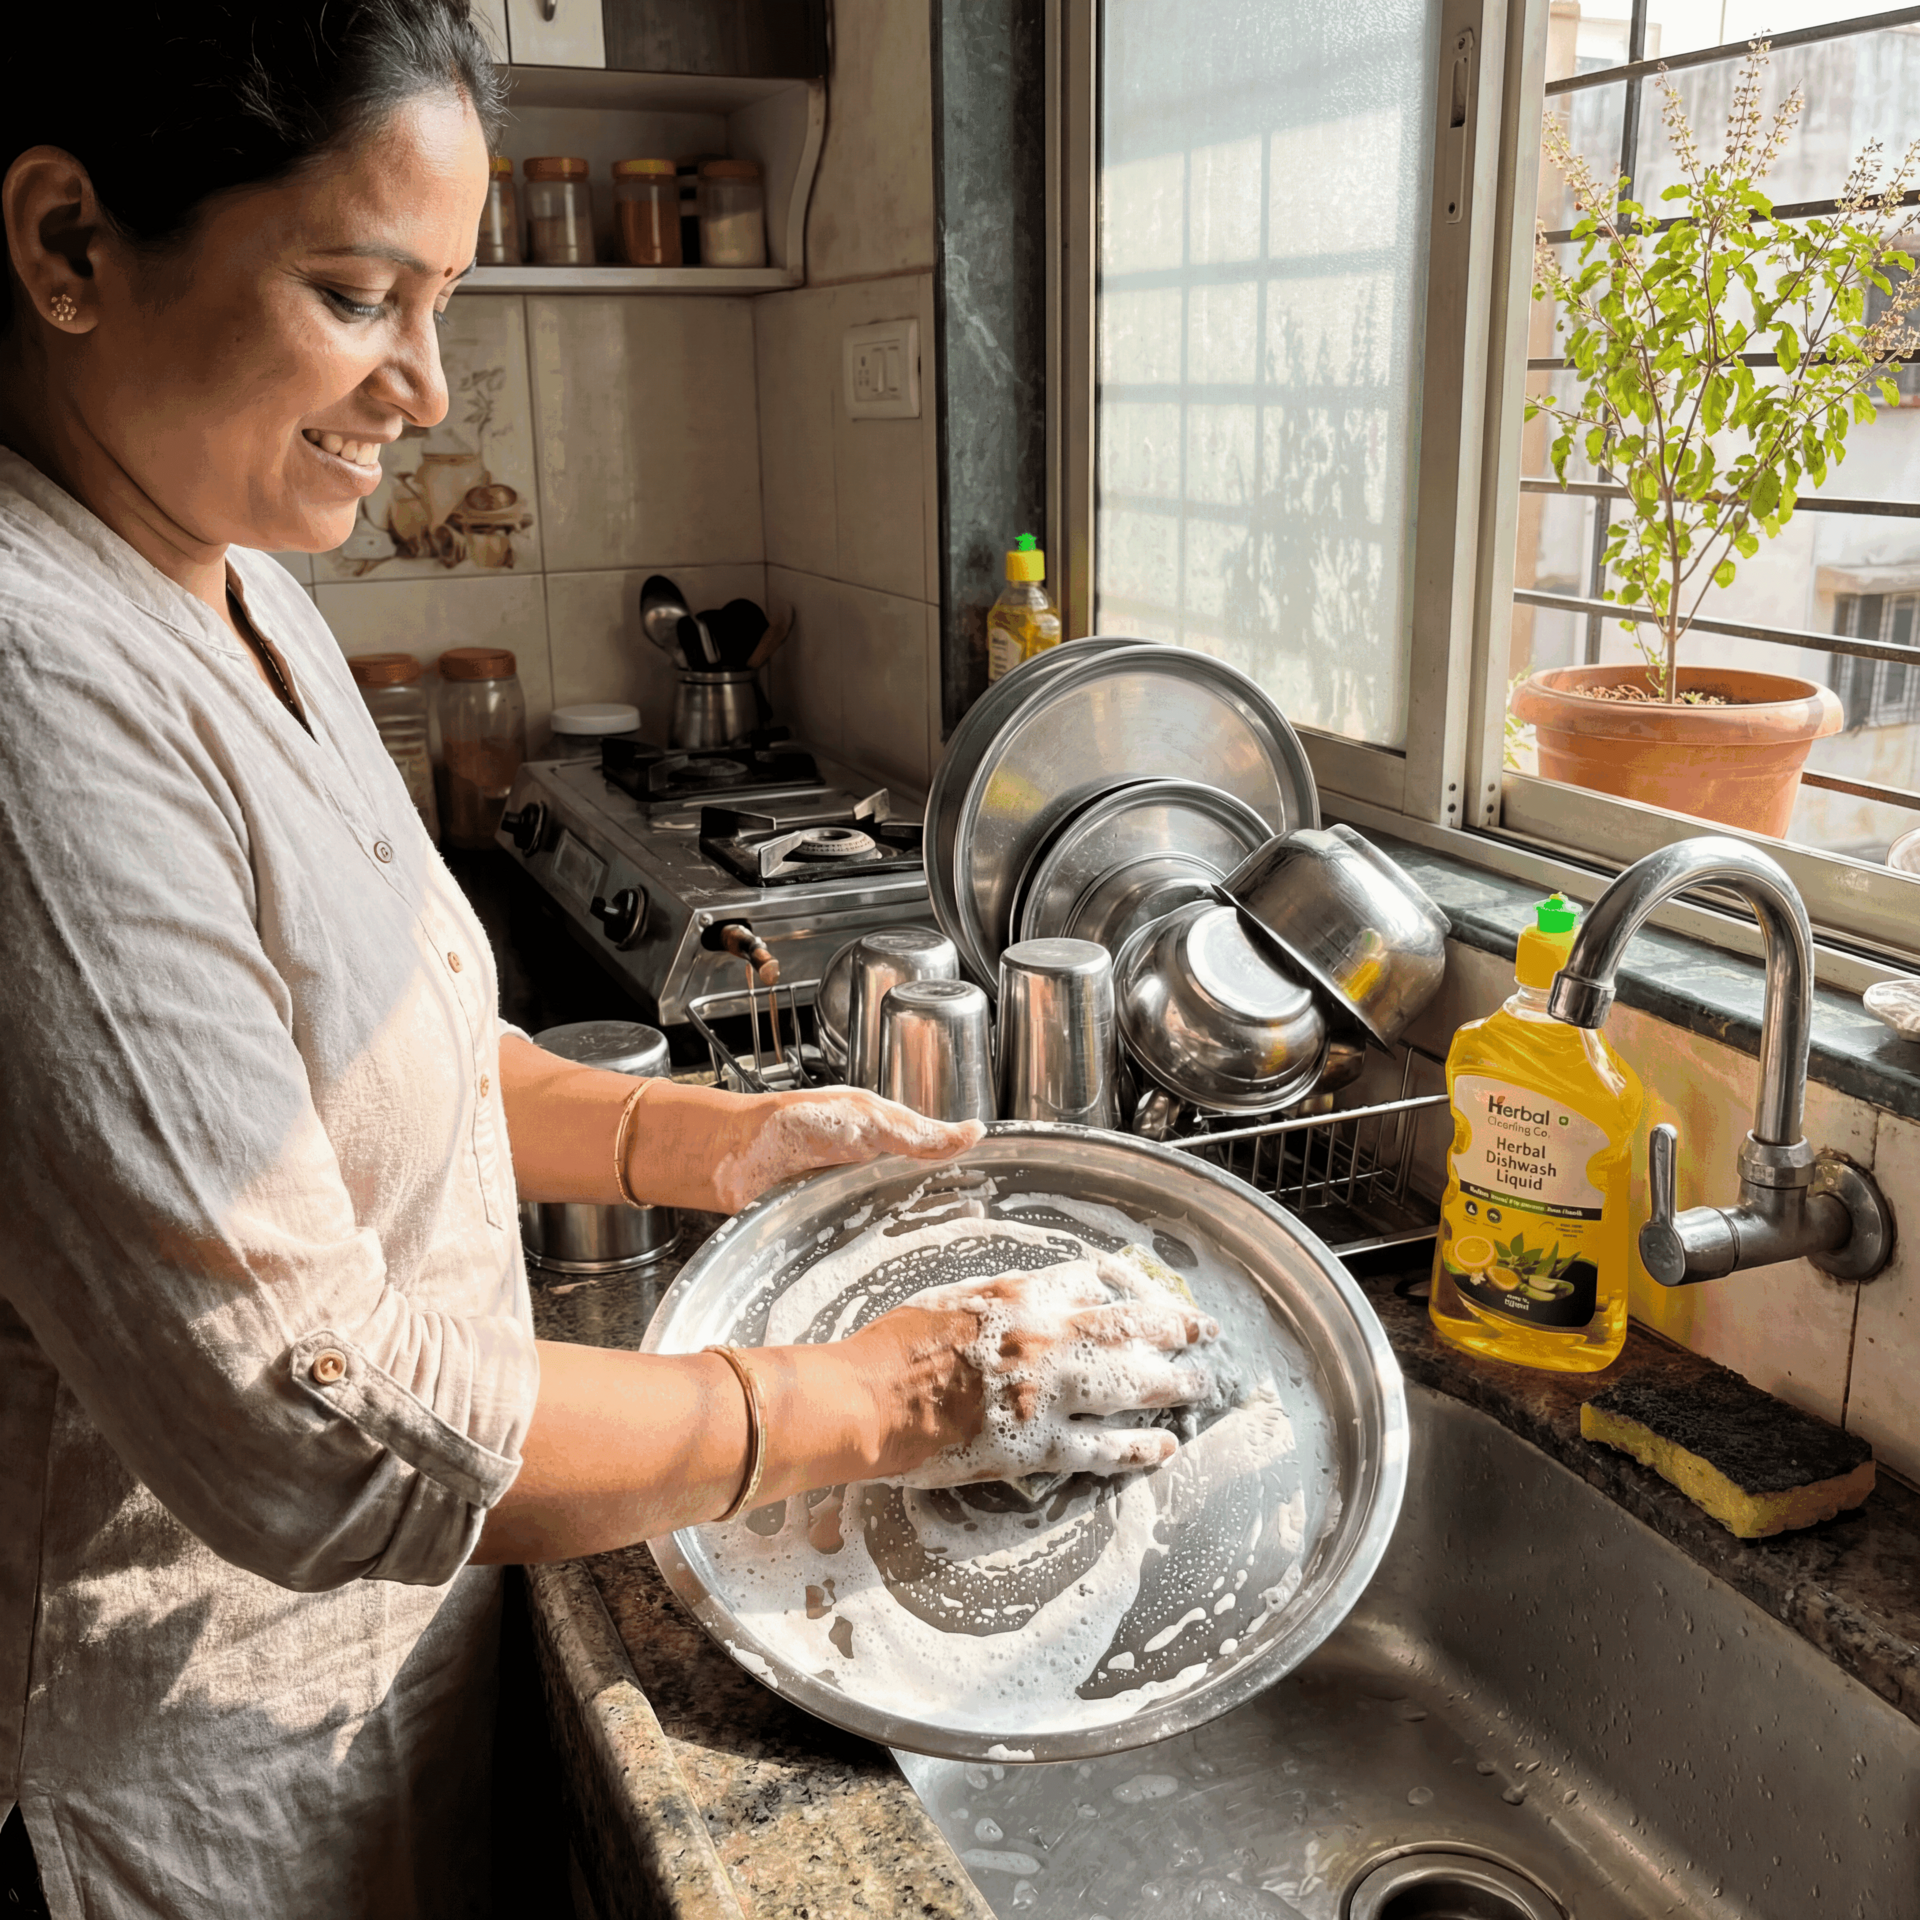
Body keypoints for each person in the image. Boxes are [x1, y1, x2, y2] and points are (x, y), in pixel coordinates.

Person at [0, 6, 1212, 1916]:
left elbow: (398, 1048)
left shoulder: (241, 588)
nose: (424, 387)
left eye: (445, 302)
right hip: (157, 1795)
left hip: (363, 1701)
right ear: (68, 243)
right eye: (353, 293)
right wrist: (883, 1400)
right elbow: (303, 1421)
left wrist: (703, 1147)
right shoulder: (35, 686)